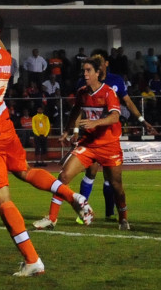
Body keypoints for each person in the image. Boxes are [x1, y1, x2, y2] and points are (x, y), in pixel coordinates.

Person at [0, 11, 93, 277]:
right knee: (25, 171)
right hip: (6, 128)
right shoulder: (5, 58)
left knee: (3, 200)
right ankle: (72, 195)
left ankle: (32, 260)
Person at [34, 56, 130, 231]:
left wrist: (95, 123)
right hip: (89, 144)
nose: (85, 74)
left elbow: (115, 117)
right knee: (63, 177)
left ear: (97, 73)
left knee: (117, 186)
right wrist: (67, 131)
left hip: (109, 145)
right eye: (83, 71)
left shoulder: (108, 92)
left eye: (88, 70)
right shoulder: (82, 92)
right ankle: (52, 218)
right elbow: (76, 111)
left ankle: (123, 218)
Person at [72, 48, 157, 223]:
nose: (96, 66)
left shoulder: (115, 81)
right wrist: (74, 131)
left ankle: (110, 212)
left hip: (109, 137)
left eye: (99, 62)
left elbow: (128, 102)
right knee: (90, 172)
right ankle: (82, 213)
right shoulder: (84, 83)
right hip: (91, 137)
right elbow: (78, 109)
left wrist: (142, 120)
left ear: (106, 64)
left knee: (110, 179)